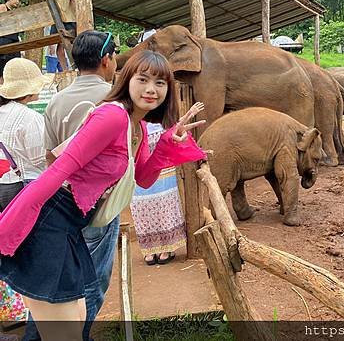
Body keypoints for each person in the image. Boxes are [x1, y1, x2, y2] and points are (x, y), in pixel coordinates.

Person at [0, 47, 207, 341]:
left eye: (160, 83)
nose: (151, 89)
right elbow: (59, 170)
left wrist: (167, 144)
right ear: (126, 79)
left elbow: (145, 179)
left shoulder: (138, 127)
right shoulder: (112, 116)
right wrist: (6, 229)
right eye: (143, 79)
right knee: (64, 332)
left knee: (78, 319)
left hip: (70, 224)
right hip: (49, 217)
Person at [22, 31, 118, 341]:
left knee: (59, 276)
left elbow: (51, 158)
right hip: (102, 205)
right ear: (106, 60)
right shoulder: (116, 98)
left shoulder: (57, 101)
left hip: (62, 203)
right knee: (93, 277)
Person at [131, 122, 187, 266]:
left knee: (163, 196)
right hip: (135, 138)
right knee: (140, 200)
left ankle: (168, 246)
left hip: (160, 137)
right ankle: (149, 247)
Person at [0, 58, 49, 208]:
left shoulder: (3, 111)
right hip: (23, 186)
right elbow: (39, 159)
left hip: (4, 183)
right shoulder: (30, 118)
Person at [45, 0, 76, 72]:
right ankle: (76, 67)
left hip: (56, 20)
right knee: (76, 43)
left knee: (60, 46)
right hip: (70, 18)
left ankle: (65, 69)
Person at [0, 0, 22, 82]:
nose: (18, 2)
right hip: (4, 39)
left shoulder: (15, 11)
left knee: (14, 64)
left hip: (13, 39)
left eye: (19, 0)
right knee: (2, 67)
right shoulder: (2, 7)